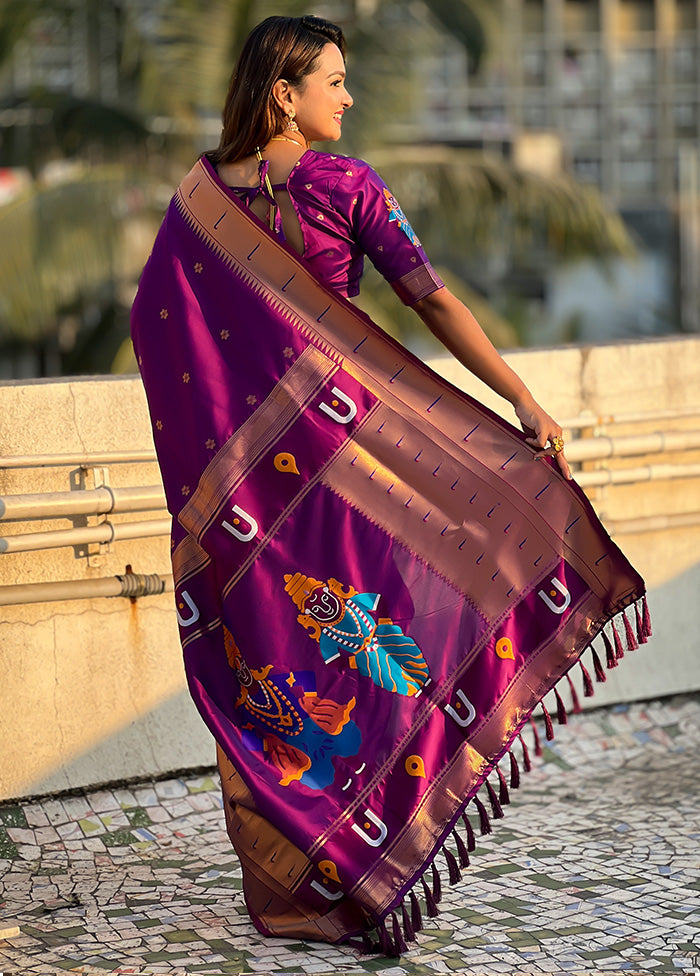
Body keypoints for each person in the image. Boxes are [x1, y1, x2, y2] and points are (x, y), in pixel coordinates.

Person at [131, 14, 647, 957]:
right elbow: (434, 300)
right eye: (334, 79)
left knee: (276, 666)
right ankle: (370, 863)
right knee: (385, 652)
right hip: (351, 476)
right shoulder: (343, 184)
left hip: (250, 504)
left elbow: (156, 329)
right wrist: (521, 399)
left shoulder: (198, 202)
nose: (348, 95)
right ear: (284, 94)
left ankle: (305, 889)